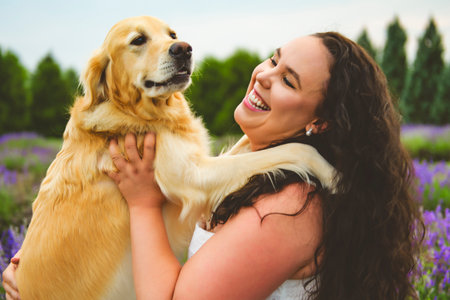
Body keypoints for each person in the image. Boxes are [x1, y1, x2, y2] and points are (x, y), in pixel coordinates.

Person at [2, 32, 423, 300]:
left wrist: (144, 204)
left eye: (288, 79)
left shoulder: (290, 206)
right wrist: (44, 268)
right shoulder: (244, 161)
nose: (264, 75)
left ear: (320, 121)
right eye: (273, 60)